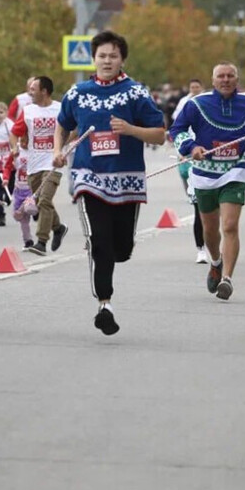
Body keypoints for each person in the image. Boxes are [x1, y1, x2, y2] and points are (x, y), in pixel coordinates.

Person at [54, 30, 166, 336]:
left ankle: (114, 258)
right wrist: (58, 151)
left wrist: (131, 129)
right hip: (88, 178)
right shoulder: (78, 93)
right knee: (99, 242)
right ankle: (105, 304)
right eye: (101, 55)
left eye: (112, 56)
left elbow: (159, 133)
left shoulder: (135, 93)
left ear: (122, 60)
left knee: (122, 249)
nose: (107, 61)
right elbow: (62, 126)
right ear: (93, 58)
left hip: (127, 180)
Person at [168, 62, 245, 301]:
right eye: (221, 76)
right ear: (213, 80)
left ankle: (227, 279)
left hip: (234, 170)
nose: (226, 80)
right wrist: (191, 147)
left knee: (230, 226)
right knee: (210, 230)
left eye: (231, 75)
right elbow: (177, 130)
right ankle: (216, 261)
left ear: (237, 79)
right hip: (204, 173)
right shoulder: (196, 104)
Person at [11, 76, 68, 256]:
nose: (30, 92)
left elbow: (74, 128)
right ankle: (58, 227)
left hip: (53, 162)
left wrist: (63, 148)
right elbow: (15, 132)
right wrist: (14, 147)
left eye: (34, 89)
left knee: (44, 200)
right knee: (40, 201)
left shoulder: (60, 108)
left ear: (44, 91)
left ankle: (41, 241)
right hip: (33, 164)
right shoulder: (28, 111)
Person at [4, 151, 38, 249]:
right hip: (19, 190)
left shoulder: (34, 150)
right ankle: (28, 241)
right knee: (21, 219)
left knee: (29, 209)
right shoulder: (16, 151)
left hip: (30, 190)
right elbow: (7, 167)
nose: (25, 142)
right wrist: (6, 178)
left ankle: (37, 210)